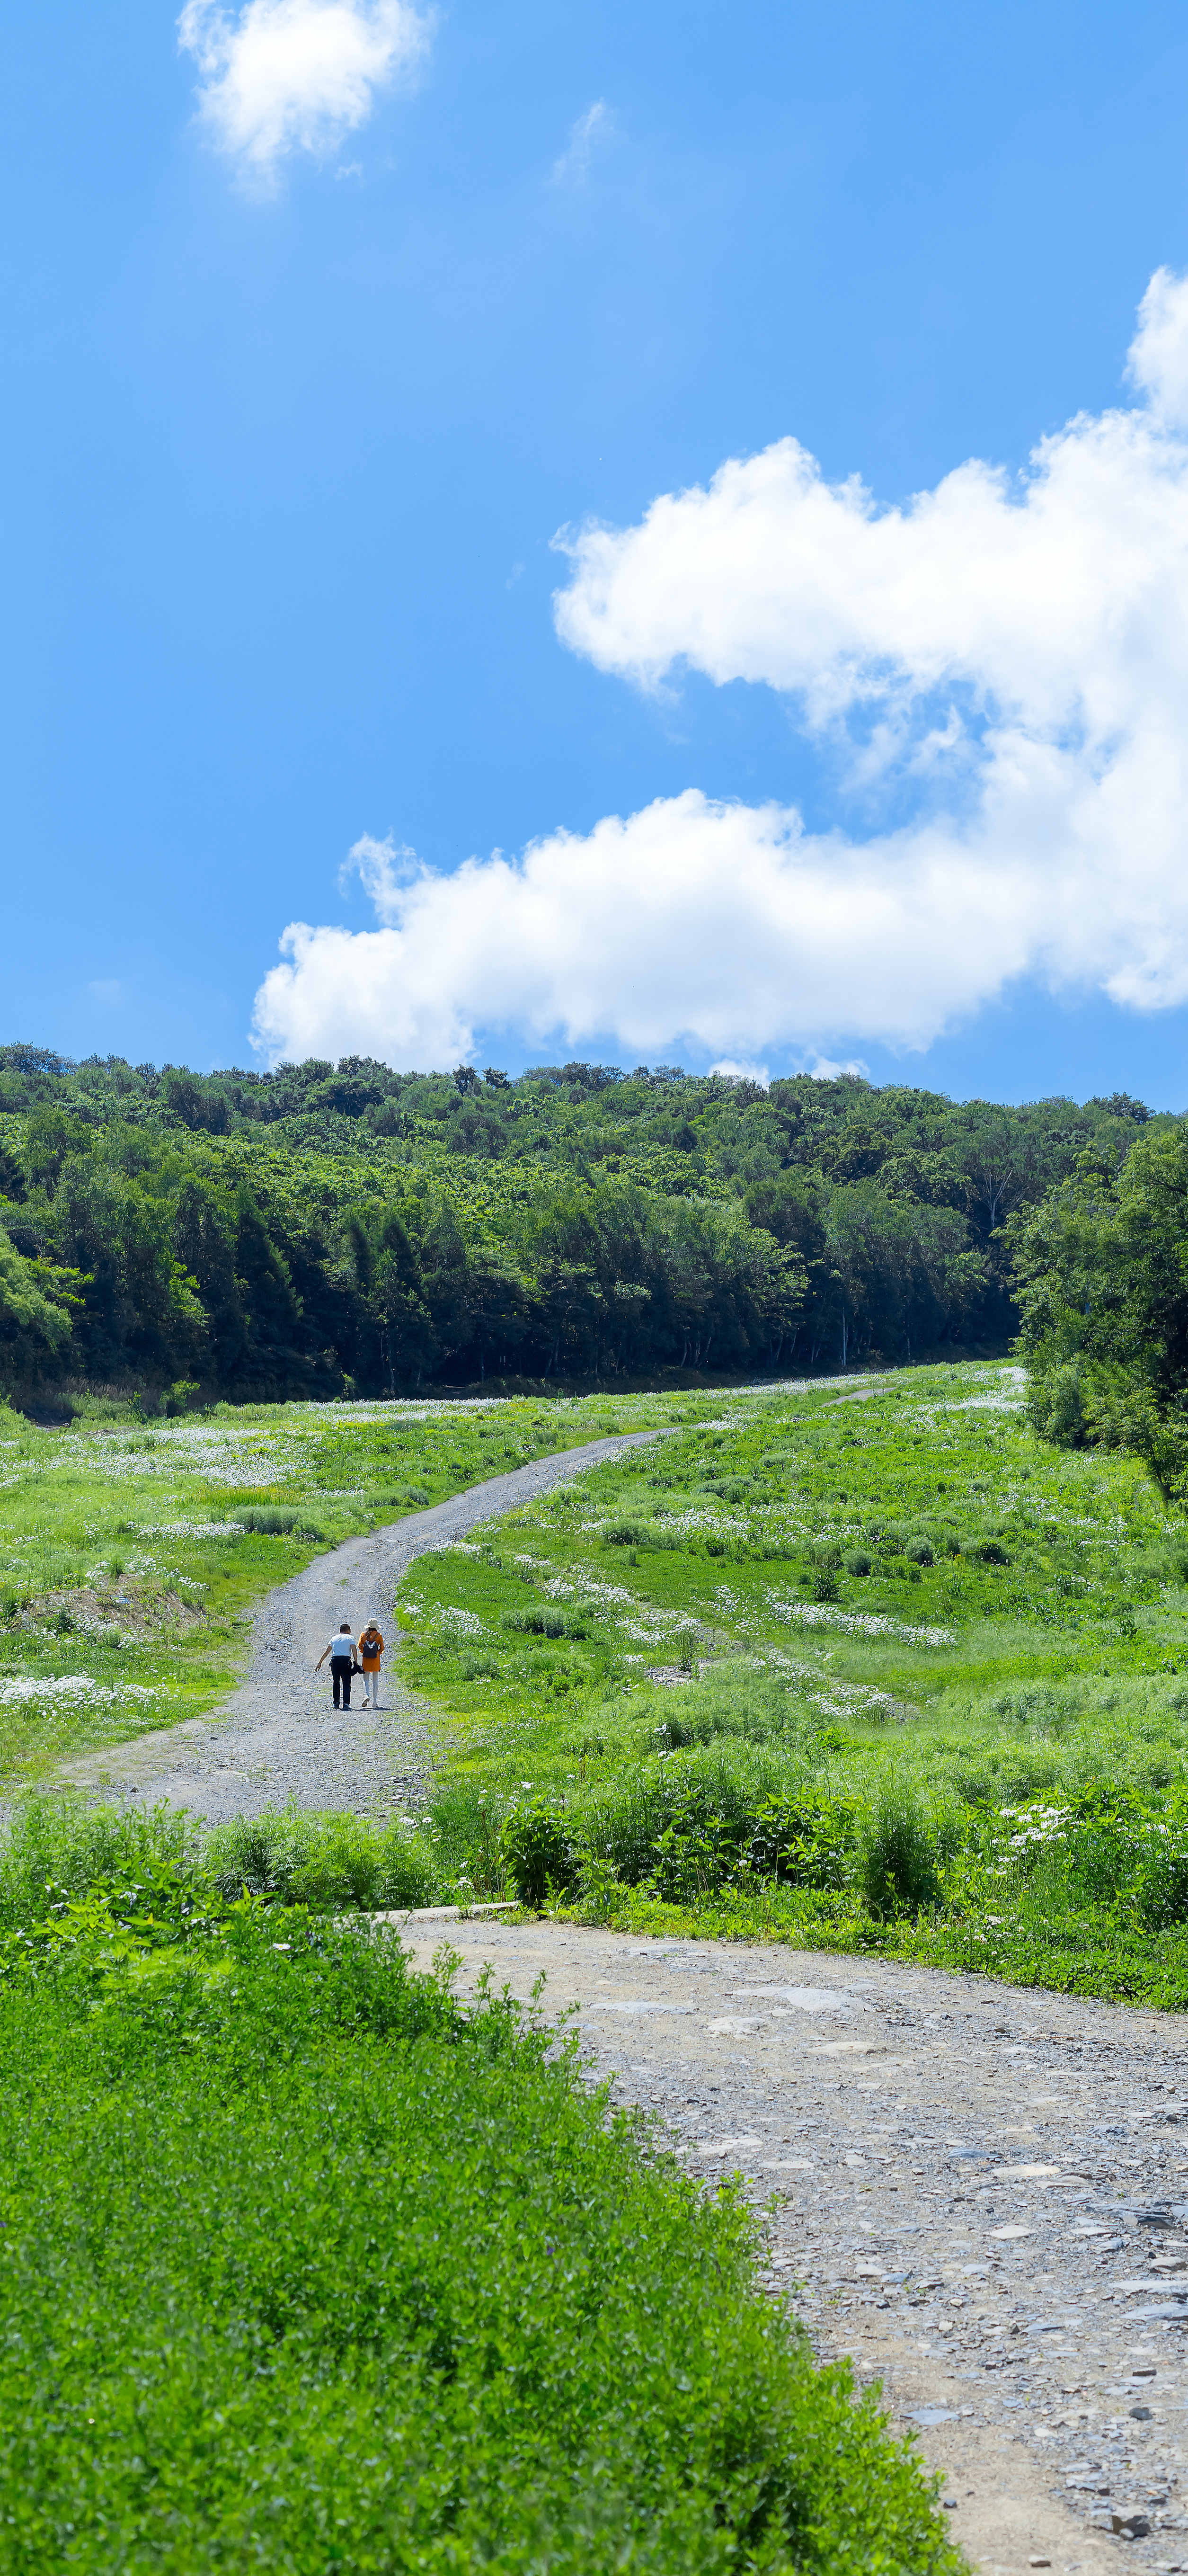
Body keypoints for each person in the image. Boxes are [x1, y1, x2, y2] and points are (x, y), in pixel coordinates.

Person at [315, 1621, 357, 1709]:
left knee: (336, 1682)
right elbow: (354, 1649)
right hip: (345, 1661)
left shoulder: (334, 1638)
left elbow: (327, 1651)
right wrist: (356, 1662)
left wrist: (320, 1663)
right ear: (348, 1630)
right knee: (346, 1683)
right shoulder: (350, 1638)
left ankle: (336, 1703)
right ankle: (346, 1703)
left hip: (335, 1661)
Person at [358, 1617, 384, 1708]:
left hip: (366, 1659)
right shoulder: (379, 1636)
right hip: (376, 1660)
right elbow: (382, 1648)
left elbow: (360, 1646)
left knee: (365, 1680)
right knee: (375, 1681)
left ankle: (366, 1695)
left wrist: (364, 1651)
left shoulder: (363, 1635)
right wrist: (378, 1653)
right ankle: (375, 1702)